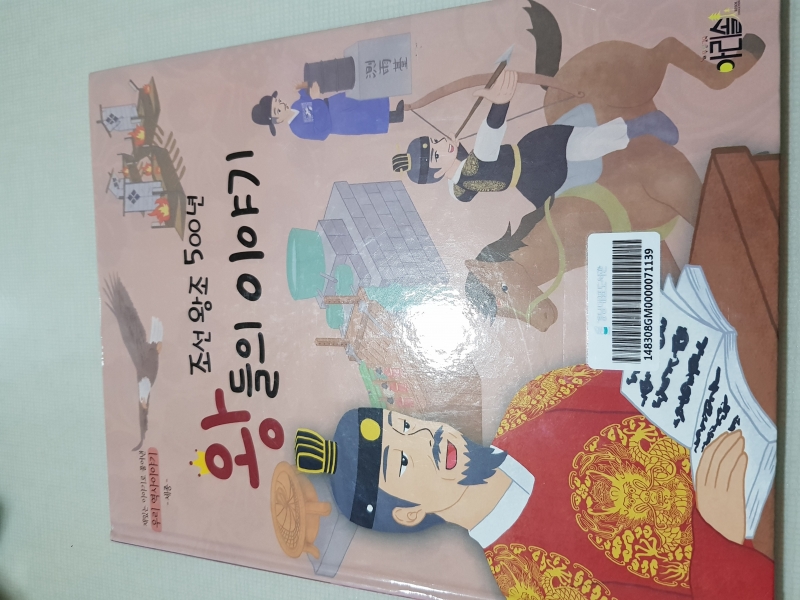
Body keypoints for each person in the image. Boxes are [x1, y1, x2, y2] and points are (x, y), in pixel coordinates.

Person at [295, 365, 773, 599]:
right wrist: (725, 540)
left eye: (406, 425)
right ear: (410, 513)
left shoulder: (539, 400)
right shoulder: (534, 582)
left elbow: (664, 377)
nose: (426, 439)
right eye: (402, 462)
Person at [392, 70, 679, 209]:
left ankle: (647, 123)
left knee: (588, 146)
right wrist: (453, 154)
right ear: (437, 174)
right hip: (531, 180)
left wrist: (500, 105)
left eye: (437, 142)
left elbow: (488, 140)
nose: (442, 145)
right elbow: (466, 182)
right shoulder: (460, 184)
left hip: (535, 152)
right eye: (437, 154)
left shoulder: (468, 171)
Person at [252, 83, 405, 141]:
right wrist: (317, 105)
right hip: (338, 122)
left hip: (334, 103)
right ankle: (395, 116)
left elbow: (306, 97)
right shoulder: (298, 129)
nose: (282, 105)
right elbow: (321, 133)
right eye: (278, 109)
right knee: (365, 118)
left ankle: (388, 96)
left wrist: (302, 88)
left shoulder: (295, 105)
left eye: (278, 101)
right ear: (278, 120)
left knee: (362, 99)